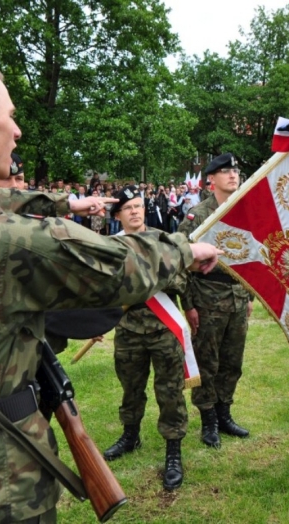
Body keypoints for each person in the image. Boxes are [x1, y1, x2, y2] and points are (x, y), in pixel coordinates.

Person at [0, 55, 221, 524]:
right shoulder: (4, 238)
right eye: (10, 116)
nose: (17, 131)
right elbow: (121, 266)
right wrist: (185, 249)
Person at [101, 185, 190, 491]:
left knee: (170, 390)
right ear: (119, 215)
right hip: (128, 329)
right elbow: (103, 287)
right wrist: (97, 320)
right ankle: (130, 435)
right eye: (129, 208)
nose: (136, 211)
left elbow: (180, 278)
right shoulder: (111, 246)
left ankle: (173, 451)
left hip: (162, 327)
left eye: (139, 206)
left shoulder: (161, 241)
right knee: (130, 387)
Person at [178, 153, 253, 448]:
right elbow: (181, 260)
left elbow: (249, 256)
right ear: (211, 179)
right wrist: (189, 305)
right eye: (225, 172)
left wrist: (247, 295)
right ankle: (208, 420)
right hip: (207, 297)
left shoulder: (243, 210)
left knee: (232, 362)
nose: (233, 175)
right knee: (207, 362)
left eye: (235, 170)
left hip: (236, 297)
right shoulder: (197, 215)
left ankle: (225, 414)